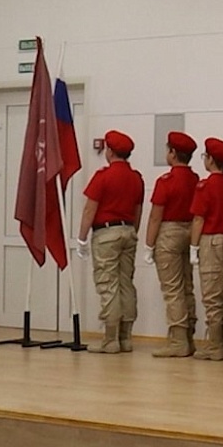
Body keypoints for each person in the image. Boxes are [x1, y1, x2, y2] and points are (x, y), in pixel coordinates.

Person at [75, 130, 144, 354]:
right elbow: (138, 210)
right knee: (126, 284)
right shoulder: (136, 178)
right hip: (128, 231)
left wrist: (82, 238)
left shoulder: (102, 177)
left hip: (106, 234)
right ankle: (126, 338)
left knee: (108, 285)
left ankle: (110, 339)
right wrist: (133, 232)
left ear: (110, 151)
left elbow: (89, 210)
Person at [143, 131, 199, 358]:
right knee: (187, 286)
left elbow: (156, 216)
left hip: (169, 232)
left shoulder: (166, 181)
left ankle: (178, 340)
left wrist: (149, 245)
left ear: (173, 154)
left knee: (172, 289)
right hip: (190, 230)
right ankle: (189, 337)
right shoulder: (196, 180)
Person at [189, 138, 223, 361]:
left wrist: (193, 246)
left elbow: (199, 219)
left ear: (210, 159)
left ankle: (214, 345)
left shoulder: (205, 185)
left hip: (211, 241)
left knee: (212, 296)